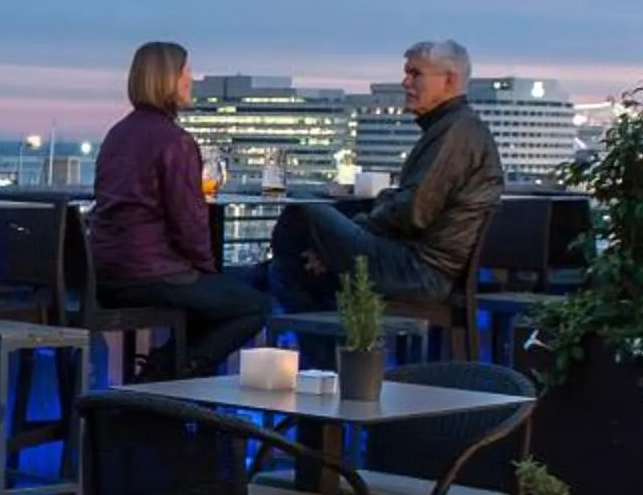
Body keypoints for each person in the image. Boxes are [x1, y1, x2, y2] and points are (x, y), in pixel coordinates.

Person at [265, 38, 502, 313]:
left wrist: (347, 238)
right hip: (412, 262)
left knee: (303, 208)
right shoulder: (455, 128)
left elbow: (413, 211)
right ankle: (285, 276)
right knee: (291, 272)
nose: (405, 83)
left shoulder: (456, 133)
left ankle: (276, 279)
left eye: (415, 74)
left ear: (449, 80)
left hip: (418, 271)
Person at [87, 40, 271, 377]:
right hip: (150, 274)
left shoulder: (118, 135)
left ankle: (174, 374)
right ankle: (169, 371)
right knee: (254, 305)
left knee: (221, 294)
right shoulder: (175, 142)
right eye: (185, 71)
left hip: (105, 272)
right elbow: (189, 222)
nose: (191, 79)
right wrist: (207, 271)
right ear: (166, 79)